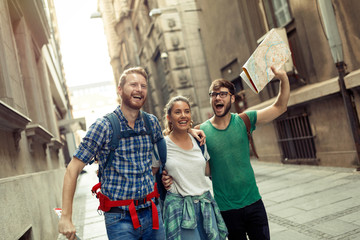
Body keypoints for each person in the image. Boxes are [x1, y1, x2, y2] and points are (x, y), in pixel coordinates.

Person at [58, 67, 204, 240]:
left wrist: (188, 131)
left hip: (152, 212)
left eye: (143, 86)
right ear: (119, 90)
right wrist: (66, 217)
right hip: (120, 219)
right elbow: (72, 169)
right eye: (133, 84)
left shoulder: (151, 122)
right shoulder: (103, 126)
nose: (139, 89)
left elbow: (168, 139)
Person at [163, 66, 290, 239]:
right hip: (226, 210)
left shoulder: (245, 120)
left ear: (232, 97)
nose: (217, 98)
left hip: (254, 203)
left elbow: (280, 107)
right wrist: (168, 175)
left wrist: (283, 78)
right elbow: (179, 144)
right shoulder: (201, 132)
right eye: (213, 94)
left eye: (222, 94)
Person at [158, 96, 228, 240]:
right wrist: (163, 179)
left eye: (187, 111)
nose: (183, 115)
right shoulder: (161, 145)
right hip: (180, 209)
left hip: (205, 205)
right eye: (177, 112)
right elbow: (154, 172)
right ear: (169, 117)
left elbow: (207, 171)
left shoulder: (199, 140)